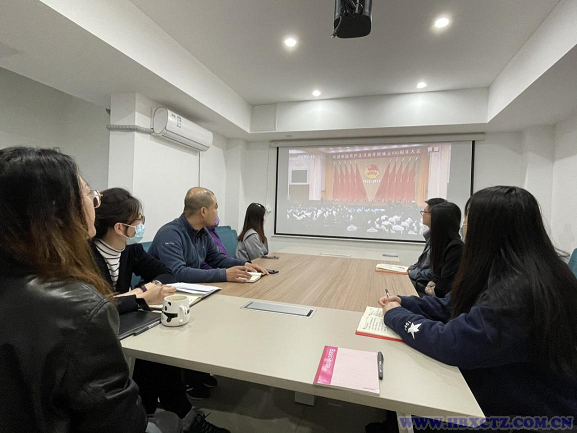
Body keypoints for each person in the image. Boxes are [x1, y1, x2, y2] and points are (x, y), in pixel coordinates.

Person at [0, 146, 207, 433]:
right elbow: (119, 421)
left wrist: (139, 291)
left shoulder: (124, 254)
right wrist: (138, 296)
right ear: (58, 212)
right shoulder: (78, 303)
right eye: (90, 195)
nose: (96, 203)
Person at [379, 186, 577, 422]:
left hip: (527, 414)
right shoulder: (511, 269)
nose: (463, 228)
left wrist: (396, 315)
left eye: (468, 220)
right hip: (500, 387)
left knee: (403, 397)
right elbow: (452, 305)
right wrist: (405, 302)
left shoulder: (518, 292)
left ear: (488, 230)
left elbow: (452, 342)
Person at [92, 187, 202, 419]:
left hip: (124, 319)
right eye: (138, 220)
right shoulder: (87, 255)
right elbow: (96, 306)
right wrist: (141, 296)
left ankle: (160, 412)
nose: (141, 225)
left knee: (162, 344)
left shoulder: (130, 250)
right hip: (98, 330)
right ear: (120, 228)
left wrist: (141, 291)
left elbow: (166, 273)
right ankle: (165, 413)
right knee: (154, 354)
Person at [149, 187, 268, 283]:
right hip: (161, 295)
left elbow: (217, 259)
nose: (217, 212)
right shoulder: (170, 234)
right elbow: (178, 273)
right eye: (215, 207)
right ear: (203, 211)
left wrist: (245, 264)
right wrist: (224, 274)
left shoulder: (203, 232)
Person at [422, 202, 463, 298]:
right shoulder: (441, 243)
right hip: (433, 295)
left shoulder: (455, 248)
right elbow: (435, 276)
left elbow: (444, 287)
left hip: (442, 301)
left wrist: (432, 289)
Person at [407, 198, 446, 293]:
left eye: (425, 212)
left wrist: (413, 272)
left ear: (434, 215)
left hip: (423, 288)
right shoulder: (431, 236)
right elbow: (420, 263)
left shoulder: (441, 240)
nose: (423, 215)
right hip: (418, 282)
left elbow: (433, 273)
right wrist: (411, 269)